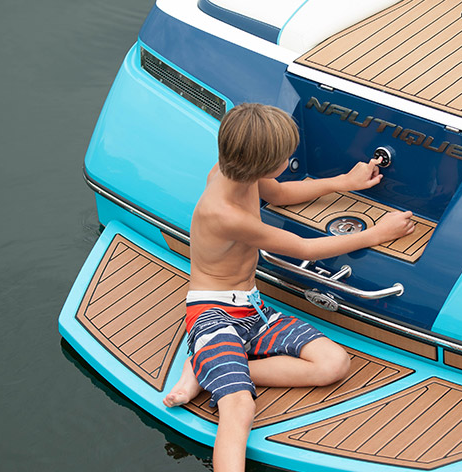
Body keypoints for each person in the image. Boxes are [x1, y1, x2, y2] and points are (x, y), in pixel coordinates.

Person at [163, 103, 414, 471]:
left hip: (253, 309)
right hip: (213, 316)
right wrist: (377, 233)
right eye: (285, 157)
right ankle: (216, 368)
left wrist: (343, 182)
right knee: (239, 408)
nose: (288, 161)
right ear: (265, 164)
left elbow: (279, 193)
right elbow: (304, 249)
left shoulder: (239, 173)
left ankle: (210, 369)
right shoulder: (224, 214)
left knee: (334, 363)